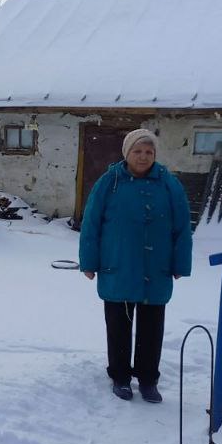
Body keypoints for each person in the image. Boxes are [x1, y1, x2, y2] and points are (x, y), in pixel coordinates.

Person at [78, 128, 192, 403]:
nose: (143, 157)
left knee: (152, 328)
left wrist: (180, 263)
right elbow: (91, 224)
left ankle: (148, 379)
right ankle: (120, 377)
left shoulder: (169, 184)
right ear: (126, 153)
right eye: (137, 151)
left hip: (157, 268)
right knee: (118, 325)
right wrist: (89, 262)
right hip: (118, 265)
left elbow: (182, 227)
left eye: (148, 152)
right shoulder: (110, 182)